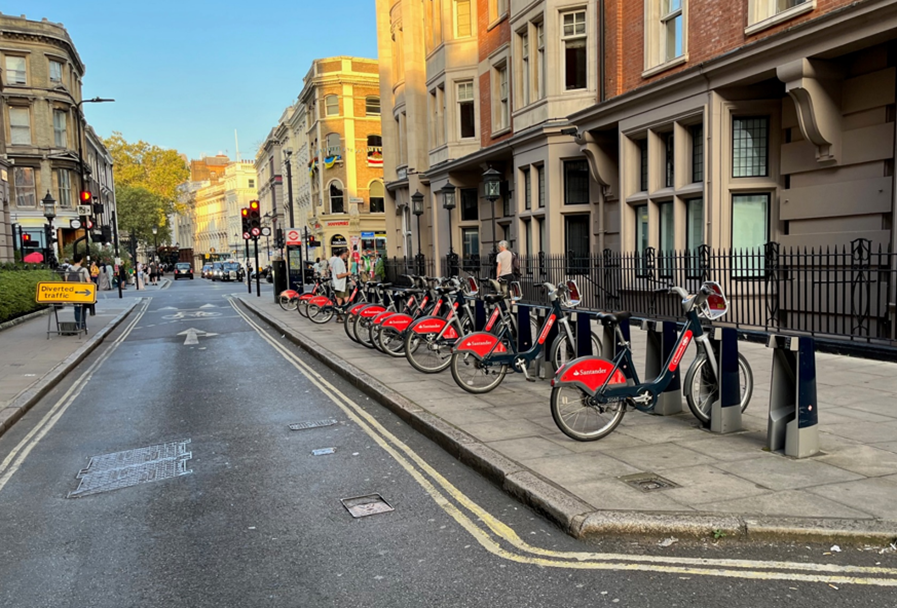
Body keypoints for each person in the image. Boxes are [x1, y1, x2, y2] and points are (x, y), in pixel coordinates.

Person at [68, 255, 91, 331]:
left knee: (76, 309)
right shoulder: (83, 269)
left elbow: (66, 281)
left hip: (73, 292)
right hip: (82, 292)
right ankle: (83, 325)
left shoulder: (68, 269)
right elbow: (88, 281)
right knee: (83, 308)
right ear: (81, 260)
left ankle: (79, 325)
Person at [329, 248, 351, 321]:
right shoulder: (338, 262)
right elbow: (338, 275)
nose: (348, 255)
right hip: (339, 284)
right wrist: (347, 273)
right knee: (340, 300)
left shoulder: (340, 261)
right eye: (347, 254)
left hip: (343, 284)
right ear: (344, 254)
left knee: (346, 299)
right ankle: (339, 316)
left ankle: (349, 315)